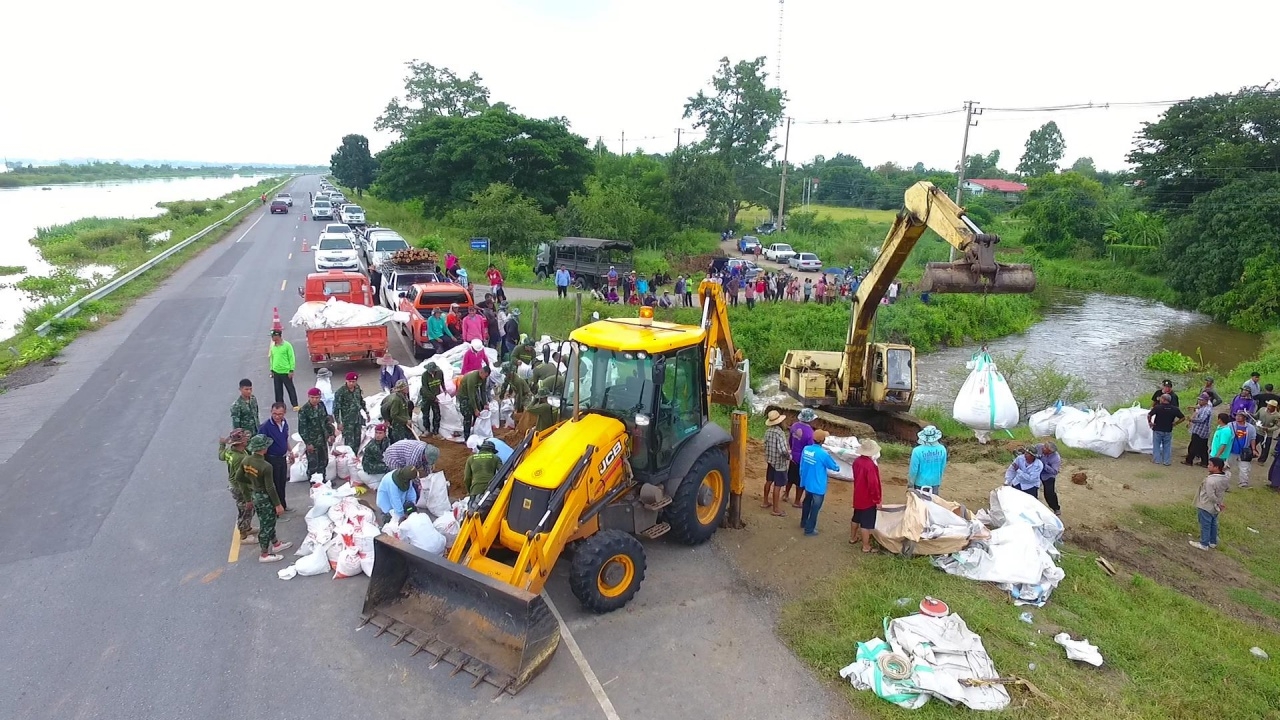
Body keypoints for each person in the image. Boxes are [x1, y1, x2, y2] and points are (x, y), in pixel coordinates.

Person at [237, 434, 291, 562]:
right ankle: (264, 554)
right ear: (264, 448)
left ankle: (276, 543)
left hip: (255, 495)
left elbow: (239, 478)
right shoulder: (266, 466)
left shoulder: (246, 460)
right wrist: (278, 504)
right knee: (267, 525)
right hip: (265, 497)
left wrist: (252, 485)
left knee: (266, 520)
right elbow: (270, 487)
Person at [218, 429, 256, 544]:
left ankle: (247, 527)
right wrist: (248, 498)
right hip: (240, 487)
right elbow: (241, 480)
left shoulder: (231, 451)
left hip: (235, 485)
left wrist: (222, 445)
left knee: (247, 509)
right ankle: (243, 535)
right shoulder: (239, 458)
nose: (247, 440)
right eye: (245, 438)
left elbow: (221, 456)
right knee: (246, 509)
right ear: (240, 443)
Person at [799, 429, 838, 536]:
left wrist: (802, 478)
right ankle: (809, 529)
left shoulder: (806, 449)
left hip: (807, 482)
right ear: (823, 441)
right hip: (818, 485)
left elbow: (802, 465)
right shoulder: (823, 454)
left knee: (807, 502)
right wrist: (837, 467)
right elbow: (834, 466)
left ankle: (803, 522)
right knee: (815, 508)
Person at [850, 438, 883, 552]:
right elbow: (873, 485)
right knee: (866, 523)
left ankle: (853, 537)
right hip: (868, 498)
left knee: (856, 517)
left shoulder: (857, 461)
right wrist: (877, 500)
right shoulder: (870, 466)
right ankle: (866, 546)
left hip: (858, 495)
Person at [1190, 457, 1229, 550]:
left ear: (1216, 467)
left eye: (1210, 465)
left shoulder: (1210, 480)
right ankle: (1212, 541)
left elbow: (1210, 495)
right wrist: (1219, 503)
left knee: (1205, 524)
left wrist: (1218, 502)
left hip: (1206, 505)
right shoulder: (1225, 478)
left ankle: (1204, 544)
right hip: (1215, 507)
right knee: (1213, 524)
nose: (1208, 466)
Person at [258, 402, 291, 511]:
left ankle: (283, 506)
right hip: (272, 459)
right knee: (275, 485)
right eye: (274, 414)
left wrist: (290, 451)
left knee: (282, 483)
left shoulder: (284, 423)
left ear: (284, 413)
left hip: (282, 458)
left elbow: (285, 439)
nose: (277, 417)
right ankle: (276, 509)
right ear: (271, 412)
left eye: (280, 414)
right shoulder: (265, 427)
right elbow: (260, 446)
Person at [299, 387, 336, 481]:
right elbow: (302, 429)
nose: (315, 400)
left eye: (317, 397)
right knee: (313, 464)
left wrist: (331, 433)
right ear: (308, 397)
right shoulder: (304, 410)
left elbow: (326, 420)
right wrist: (308, 443)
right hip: (312, 442)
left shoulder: (321, 405)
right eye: (312, 397)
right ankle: (314, 482)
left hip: (322, 439)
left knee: (324, 461)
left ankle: (322, 480)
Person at [783, 408, 816, 508]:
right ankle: (797, 501)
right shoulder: (810, 432)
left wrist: (792, 450)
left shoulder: (794, 426)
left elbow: (790, 441)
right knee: (800, 481)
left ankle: (786, 494)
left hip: (793, 456)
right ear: (810, 419)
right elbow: (810, 448)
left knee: (790, 477)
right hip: (803, 459)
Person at [761, 410, 789, 517]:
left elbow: (765, 445)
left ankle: (765, 501)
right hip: (779, 463)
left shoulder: (768, 432)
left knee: (769, 481)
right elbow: (783, 451)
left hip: (770, 461)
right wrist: (789, 456)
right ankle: (776, 509)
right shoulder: (780, 433)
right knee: (778, 485)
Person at [1147, 393, 1185, 466]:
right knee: (1167, 446)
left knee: (1156, 445)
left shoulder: (1158, 407)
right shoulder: (1174, 409)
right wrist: (1175, 423)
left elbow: (1149, 415)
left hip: (1157, 429)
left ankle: (1156, 460)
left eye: (1161, 398)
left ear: (1163, 399)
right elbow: (1183, 418)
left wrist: (1150, 422)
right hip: (1168, 429)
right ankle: (1167, 461)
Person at [908, 425, 947, 493]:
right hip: (935, 482)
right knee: (933, 499)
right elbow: (942, 467)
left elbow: (913, 470)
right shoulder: (942, 449)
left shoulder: (917, 451)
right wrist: (938, 480)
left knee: (920, 499)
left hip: (920, 483)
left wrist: (911, 483)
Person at [1227, 410, 1258, 488]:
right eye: (1237, 415)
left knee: (1244, 468)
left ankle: (1243, 483)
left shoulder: (1251, 428)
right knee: (1227, 466)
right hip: (1231, 450)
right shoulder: (1230, 425)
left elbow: (1253, 439)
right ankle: (1224, 482)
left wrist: (1253, 449)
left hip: (1244, 451)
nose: (1237, 417)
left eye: (1240, 416)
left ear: (1245, 418)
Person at [332, 372, 366, 445]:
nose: (351, 383)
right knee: (349, 442)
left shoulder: (357, 389)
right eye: (349, 381)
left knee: (358, 440)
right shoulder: (340, 392)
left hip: (357, 419)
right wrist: (338, 422)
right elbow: (336, 409)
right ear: (346, 381)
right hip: (347, 421)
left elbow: (361, 401)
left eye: (353, 382)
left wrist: (366, 412)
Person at [268, 330, 298, 410]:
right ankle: (279, 405)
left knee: (290, 388)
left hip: (285, 371)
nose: (272, 338)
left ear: (278, 336)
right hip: (276, 371)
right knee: (278, 390)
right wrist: (271, 369)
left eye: (273, 336)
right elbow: (272, 358)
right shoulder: (273, 346)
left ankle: (295, 404)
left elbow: (291, 358)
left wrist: (291, 370)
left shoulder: (287, 345)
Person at [458, 365, 490, 439]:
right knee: (468, 416)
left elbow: (483, 391)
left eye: (487, 376)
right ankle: (466, 437)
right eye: (485, 376)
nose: (485, 378)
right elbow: (470, 394)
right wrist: (475, 409)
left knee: (479, 414)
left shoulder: (484, 378)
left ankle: (476, 433)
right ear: (481, 372)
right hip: (464, 396)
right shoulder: (472, 378)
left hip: (474, 394)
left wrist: (485, 403)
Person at [1183, 393, 1215, 467]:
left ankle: (1189, 461)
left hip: (1200, 431)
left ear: (1206, 401)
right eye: (1199, 400)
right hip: (1203, 431)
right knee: (1203, 447)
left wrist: (1192, 420)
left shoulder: (1206, 410)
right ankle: (1204, 462)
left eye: (1201, 400)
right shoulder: (1204, 407)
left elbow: (1201, 419)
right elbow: (1198, 408)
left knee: (1193, 446)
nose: (1199, 401)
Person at [418, 362, 445, 437]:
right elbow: (425, 389)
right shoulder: (424, 375)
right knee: (425, 414)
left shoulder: (440, 373)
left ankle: (436, 431)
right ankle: (427, 429)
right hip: (426, 397)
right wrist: (433, 398)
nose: (432, 372)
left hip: (436, 396)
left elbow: (442, 382)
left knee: (437, 414)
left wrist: (444, 390)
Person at [1039, 441, 1062, 516]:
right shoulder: (1038, 447)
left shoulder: (1056, 458)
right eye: (1044, 446)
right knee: (1030, 488)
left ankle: (1056, 508)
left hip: (1048, 475)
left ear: (1050, 452)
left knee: (1049, 493)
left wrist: (1044, 465)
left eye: (1045, 448)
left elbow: (1054, 471)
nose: (1043, 448)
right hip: (1036, 472)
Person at [1257, 400, 1280, 464]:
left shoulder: (1277, 416)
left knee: (1265, 448)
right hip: (1258, 431)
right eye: (1268, 405)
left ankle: (1262, 460)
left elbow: (1277, 426)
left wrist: (1269, 429)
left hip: (1267, 434)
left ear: (1274, 407)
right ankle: (1249, 455)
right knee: (1251, 444)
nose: (1268, 407)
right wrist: (1249, 414)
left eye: (1270, 406)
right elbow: (1256, 416)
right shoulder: (1262, 409)